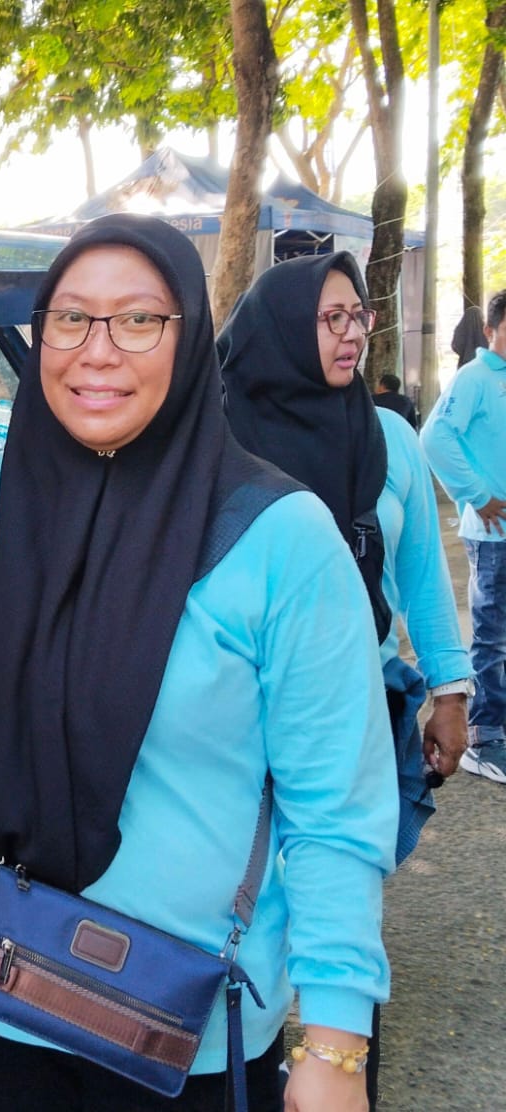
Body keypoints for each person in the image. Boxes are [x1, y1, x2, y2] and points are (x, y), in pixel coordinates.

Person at [0, 214, 395, 1112]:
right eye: (70, 318)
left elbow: (334, 809)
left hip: (172, 1006)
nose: (96, 351)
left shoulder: (283, 542)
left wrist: (336, 1039)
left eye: (139, 319)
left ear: (190, 337)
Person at [218, 252, 471, 1108]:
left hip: (356, 708)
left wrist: (452, 691)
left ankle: (340, 1064)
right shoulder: (216, 434)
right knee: (245, 902)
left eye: (360, 314)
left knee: (338, 890)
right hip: (240, 716)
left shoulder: (388, 438)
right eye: (330, 318)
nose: (353, 331)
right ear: (281, 328)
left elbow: (426, 580)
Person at [423, 289, 506, 784]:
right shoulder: (475, 377)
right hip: (493, 535)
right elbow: (434, 437)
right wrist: (475, 494)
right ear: (492, 329)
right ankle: (485, 736)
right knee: (491, 637)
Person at [452, 305, 487, 371]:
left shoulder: (460, 329)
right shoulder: (486, 330)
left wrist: (465, 353)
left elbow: (455, 346)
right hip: (483, 365)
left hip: (464, 364)